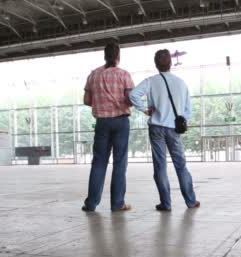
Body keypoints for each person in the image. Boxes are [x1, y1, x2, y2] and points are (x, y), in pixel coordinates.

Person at [129, 49, 200, 211]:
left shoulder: (151, 81)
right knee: (180, 165)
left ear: (156, 65)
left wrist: (145, 110)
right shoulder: (181, 83)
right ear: (171, 63)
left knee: (160, 166)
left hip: (156, 128)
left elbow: (133, 95)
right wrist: (183, 119)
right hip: (174, 128)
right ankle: (190, 201)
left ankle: (166, 203)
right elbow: (188, 109)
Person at [82, 42, 134, 212]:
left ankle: (91, 204)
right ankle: (117, 203)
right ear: (118, 57)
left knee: (98, 163)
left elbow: (86, 100)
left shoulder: (93, 75)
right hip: (120, 122)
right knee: (119, 163)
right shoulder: (124, 75)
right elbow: (131, 99)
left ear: (104, 56)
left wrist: (101, 103)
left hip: (102, 123)